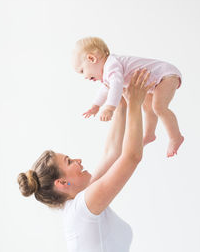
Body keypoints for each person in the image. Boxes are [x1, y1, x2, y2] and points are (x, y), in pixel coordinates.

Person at [18, 69, 152, 252]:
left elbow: (111, 153)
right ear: (63, 182)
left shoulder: (79, 202)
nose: (78, 160)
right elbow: (131, 157)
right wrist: (135, 104)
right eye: (69, 161)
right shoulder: (82, 208)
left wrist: (120, 102)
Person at [73, 36, 184, 157]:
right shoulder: (108, 73)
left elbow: (116, 85)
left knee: (158, 107)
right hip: (153, 83)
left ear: (91, 58)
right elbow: (106, 88)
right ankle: (149, 134)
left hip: (166, 75)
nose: (84, 76)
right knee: (148, 107)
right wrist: (96, 106)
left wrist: (109, 108)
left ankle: (175, 137)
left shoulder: (112, 65)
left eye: (82, 71)